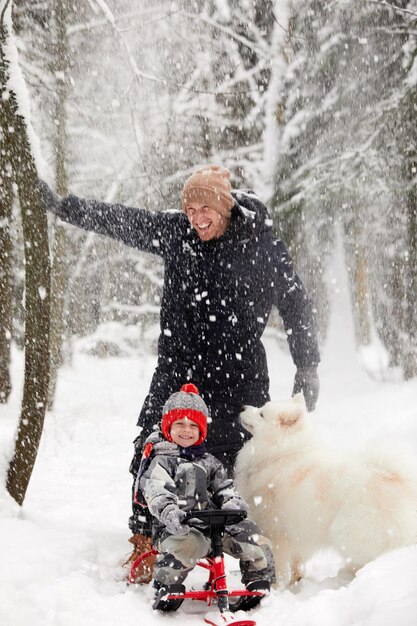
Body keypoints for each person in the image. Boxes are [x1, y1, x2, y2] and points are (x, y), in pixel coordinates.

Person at [39, 164, 320, 579]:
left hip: (239, 374)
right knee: (152, 450)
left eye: (205, 207)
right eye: (189, 209)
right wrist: (65, 208)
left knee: (239, 463)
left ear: (225, 207)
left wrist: (308, 364)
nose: (196, 217)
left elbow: (296, 302)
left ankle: (249, 544)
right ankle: (149, 541)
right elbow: (125, 221)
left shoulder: (260, 244)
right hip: (179, 370)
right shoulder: (178, 234)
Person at [137, 383, 275, 610]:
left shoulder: (210, 462)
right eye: (179, 424)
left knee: (252, 536)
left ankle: (258, 580)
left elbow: (225, 488)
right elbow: (157, 491)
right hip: (178, 528)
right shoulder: (161, 461)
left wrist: (232, 503)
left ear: (201, 431)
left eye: (193, 425)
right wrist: (170, 511)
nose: (186, 430)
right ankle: (167, 585)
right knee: (188, 545)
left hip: (216, 526)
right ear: (167, 427)